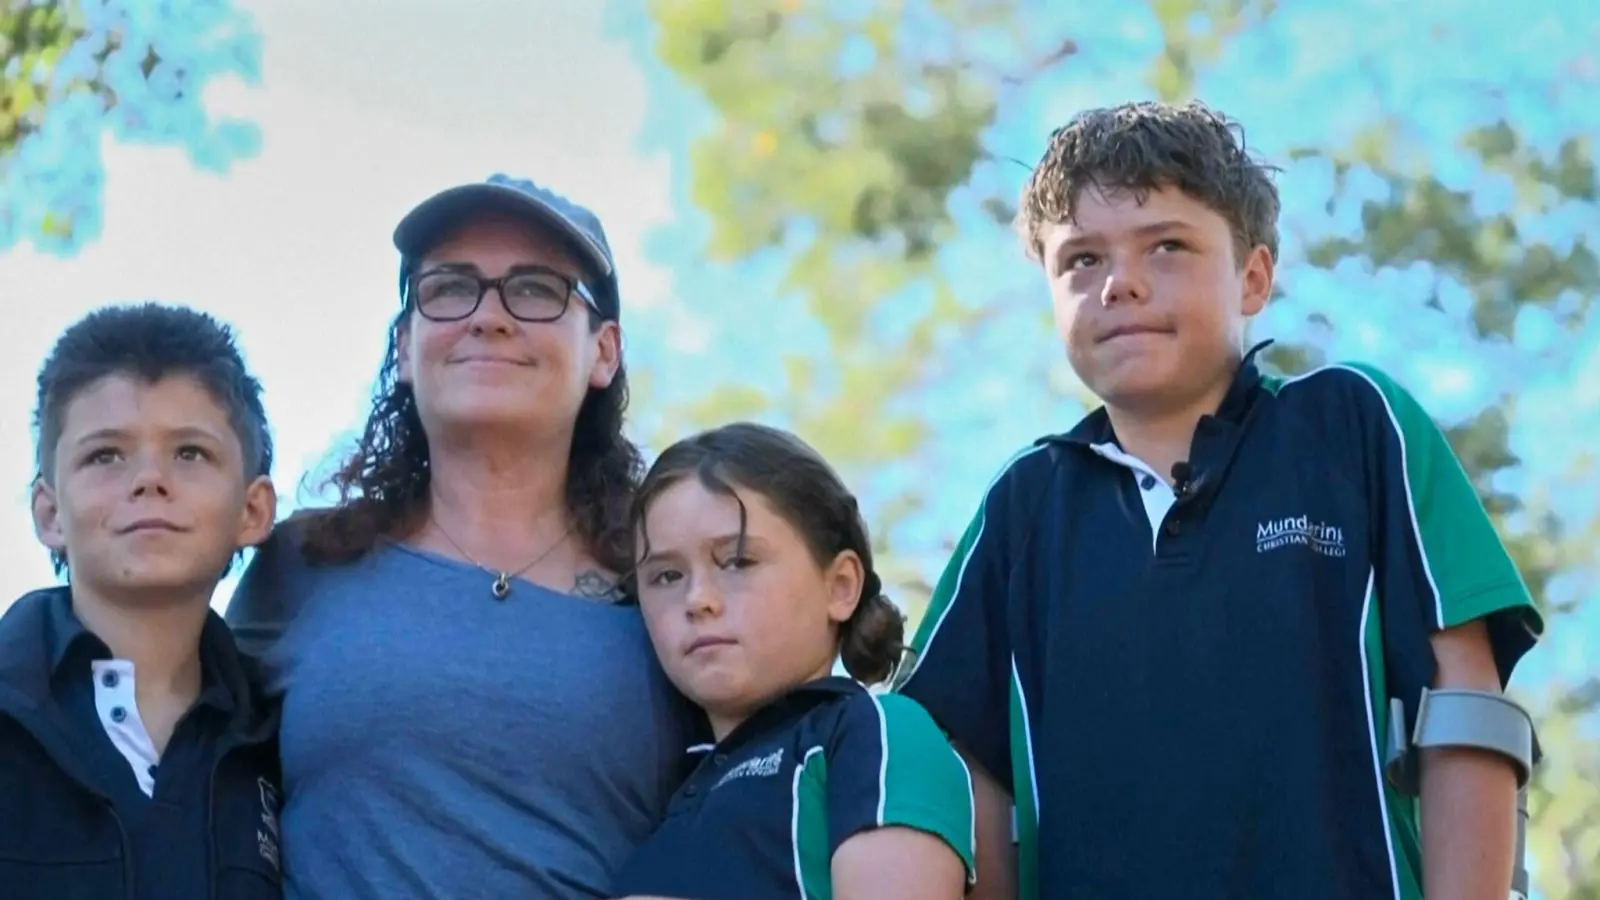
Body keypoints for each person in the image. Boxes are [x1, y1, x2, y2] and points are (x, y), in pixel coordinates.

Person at [895, 100, 1544, 900]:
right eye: (1081, 261)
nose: (1120, 284)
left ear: (1253, 277)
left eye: (1166, 246)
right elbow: (958, 784)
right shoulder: (1021, 509)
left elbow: (1466, 711)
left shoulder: (1352, 428)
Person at [224, 174, 700, 900]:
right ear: (407, 344)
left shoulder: (669, 586)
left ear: (604, 351)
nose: (489, 317)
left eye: (536, 289)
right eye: (450, 287)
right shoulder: (301, 567)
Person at [611, 422, 975, 900]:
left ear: (840, 585)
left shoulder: (877, 732)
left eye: (738, 561)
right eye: (667, 575)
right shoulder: (666, 795)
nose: (697, 599)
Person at [0, 303, 282, 900]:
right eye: (105, 455)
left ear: (253, 511)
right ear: (50, 513)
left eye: (190, 453)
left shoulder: (285, 743)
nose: (149, 479)